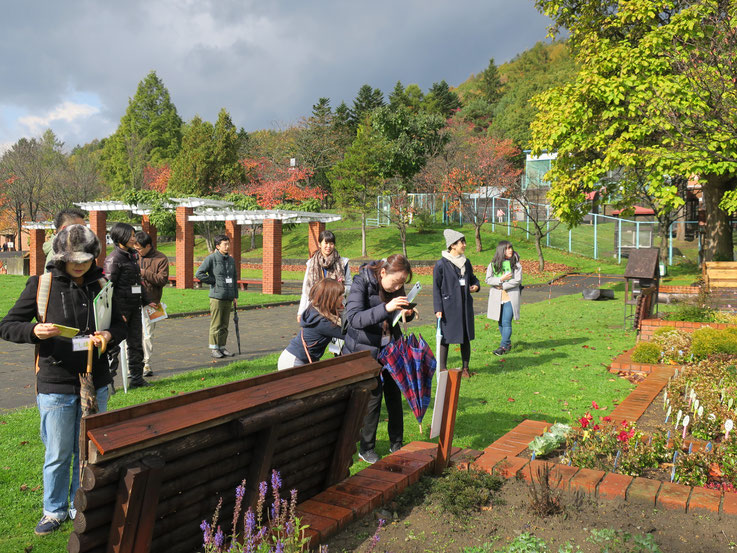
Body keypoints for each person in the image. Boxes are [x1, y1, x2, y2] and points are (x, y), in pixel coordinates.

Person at [0, 224, 126, 536]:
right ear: (61, 257)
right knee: (58, 452)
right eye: (74, 259)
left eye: (85, 258)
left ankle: (78, 503)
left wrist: (109, 335)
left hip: (94, 382)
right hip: (55, 382)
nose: (80, 264)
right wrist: (33, 331)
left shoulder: (103, 284)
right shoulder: (41, 284)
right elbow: (7, 325)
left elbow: (122, 326)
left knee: (86, 450)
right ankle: (53, 510)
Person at [344, 254, 416, 464]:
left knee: (395, 396)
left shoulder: (396, 286)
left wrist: (408, 312)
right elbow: (355, 318)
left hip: (391, 348)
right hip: (366, 350)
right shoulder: (362, 282)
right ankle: (366, 448)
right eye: (395, 282)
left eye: (402, 284)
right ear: (383, 272)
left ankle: (397, 443)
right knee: (373, 398)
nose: (397, 288)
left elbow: (398, 314)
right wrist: (386, 308)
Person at [104, 223, 151, 388]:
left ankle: (136, 379)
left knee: (136, 344)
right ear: (121, 237)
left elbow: (137, 282)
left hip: (134, 307)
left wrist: (147, 300)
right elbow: (108, 289)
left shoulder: (132, 256)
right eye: (131, 236)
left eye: (134, 235)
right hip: (121, 311)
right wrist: (117, 312)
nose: (134, 239)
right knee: (113, 347)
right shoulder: (114, 259)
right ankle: (107, 382)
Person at [433, 229, 480, 378]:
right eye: (462, 242)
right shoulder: (441, 264)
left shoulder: (466, 262)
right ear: (453, 245)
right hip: (448, 308)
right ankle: (442, 369)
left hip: (465, 307)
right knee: (445, 338)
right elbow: (436, 288)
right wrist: (438, 308)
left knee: (465, 338)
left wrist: (476, 286)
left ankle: (465, 369)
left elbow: (473, 279)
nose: (465, 245)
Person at [278, 278, 345, 370]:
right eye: (339, 295)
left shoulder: (316, 311)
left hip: (293, 358)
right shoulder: (323, 322)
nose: (343, 298)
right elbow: (350, 334)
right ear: (330, 298)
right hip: (294, 361)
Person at [196, 234, 239, 359]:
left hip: (228, 296)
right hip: (217, 297)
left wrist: (235, 295)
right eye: (225, 244)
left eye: (228, 243)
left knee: (225, 324)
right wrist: (213, 281)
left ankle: (222, 347)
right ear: (218, 246)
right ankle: (214, 348)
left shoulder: (231, 260)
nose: (227, 246)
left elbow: (234, 278)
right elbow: (199, 273)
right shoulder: (211, 259)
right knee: (216, 324)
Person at [134, 231, 169, 377]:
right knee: (133, 335)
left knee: (147, 334)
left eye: (140, 248)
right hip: (133, 301)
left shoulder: (161, 258)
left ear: (148, 245)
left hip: (152, 303)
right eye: (135, 248)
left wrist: (143, 272)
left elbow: (162, 280)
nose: (137, 251)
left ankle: (146, 364)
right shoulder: (132, 256)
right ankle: (133, 365)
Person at [298, 230, 351, 322]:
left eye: (331, 243)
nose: (328, 246)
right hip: (316, 308)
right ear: (319, 244)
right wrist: (301, 312)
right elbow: (306, 290)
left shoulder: (343, 263)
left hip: (336, 308)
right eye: (326, 243)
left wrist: (339, 289)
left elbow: (350, 286)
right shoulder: (311, 263)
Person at [485, 240, 522, 356]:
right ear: (501, 251)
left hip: (510, 297)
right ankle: (508, 344)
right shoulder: (493, 264)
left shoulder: (516, 264)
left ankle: (503, 346)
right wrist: (501, 279)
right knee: (500, 322)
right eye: (507, 248)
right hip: (497, 298)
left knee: (506, 322)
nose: (510, 250)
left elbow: (517, 280)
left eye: (511, 248)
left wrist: (503, 285)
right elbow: (488, 279)